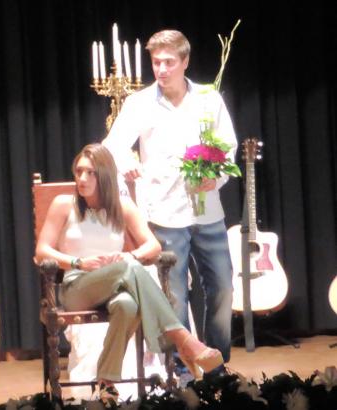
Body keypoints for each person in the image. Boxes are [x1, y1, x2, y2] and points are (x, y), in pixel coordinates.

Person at [35, 144, 223, 401]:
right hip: (77, 287)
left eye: (90, 172)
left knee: (126, 304)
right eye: (78, 171)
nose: (82, 178)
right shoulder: (63, 204)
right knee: (130, 269)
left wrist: (129, 256)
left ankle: (107, 383)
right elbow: (42, 251)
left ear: (105, 175)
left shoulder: (121, 206)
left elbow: (153, 246)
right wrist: (79, 262)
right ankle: (183, 340)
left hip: (116, 285)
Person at [102, 29, 236, 381]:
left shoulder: (208, 99)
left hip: (207, 212)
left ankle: (217, 362)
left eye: (168, 62)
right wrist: (125, 159)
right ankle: (183, 369)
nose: (161, 69)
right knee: (174, 294)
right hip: (163, 212)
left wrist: (217, 177)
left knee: (223, 288)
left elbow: (228, 147)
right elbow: (111, 146)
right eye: (156, 62)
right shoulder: (140, 103)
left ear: (185, 61)